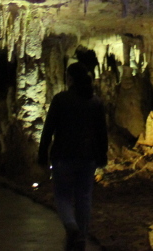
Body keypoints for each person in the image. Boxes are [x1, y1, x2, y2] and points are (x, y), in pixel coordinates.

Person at [38, 62, 108, 251]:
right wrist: (103, 155)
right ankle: (81, 236)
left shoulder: (61, 99)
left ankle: (71, 227)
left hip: (63, 155)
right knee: (84, 196)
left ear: (70, 79)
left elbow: (49, 129)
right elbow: (102, 132)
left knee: (62, 195)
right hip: (88, 156)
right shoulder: (95, 102)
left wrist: (42, 153)